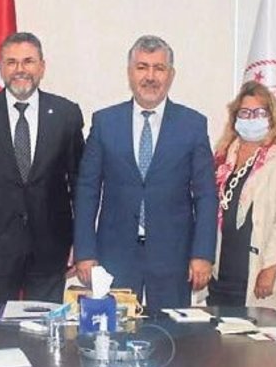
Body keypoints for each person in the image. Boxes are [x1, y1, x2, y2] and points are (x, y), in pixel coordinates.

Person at [73, 35, 217, 310]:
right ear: (130, 72)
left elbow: (206, 195)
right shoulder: (105, 122)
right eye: (142, 67)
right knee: (115, 331)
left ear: (171, 75)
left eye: (159, 68)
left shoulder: (192, 125)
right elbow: (87, 190)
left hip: (173, 256)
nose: (150, 76)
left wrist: (203, 253)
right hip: (115, 255)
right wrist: (85, 252)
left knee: (172, 332)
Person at [0, 32, 84, 304]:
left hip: (51, 249)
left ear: (42, 67)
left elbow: (80, 185)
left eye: (28, 61)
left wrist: (80, 243)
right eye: (11, 62)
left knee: (45, 326)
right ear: (1, 68)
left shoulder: (66, 113)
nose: (20, 69)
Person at [207, 80, 276, 314]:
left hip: (262, 279)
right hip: (222, 278)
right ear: (235, 118)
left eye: (259, 113)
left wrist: (270, 268)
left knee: (260, 339)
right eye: (245, 113)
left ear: (271, 118)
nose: (251, 119)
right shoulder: (222, 159)